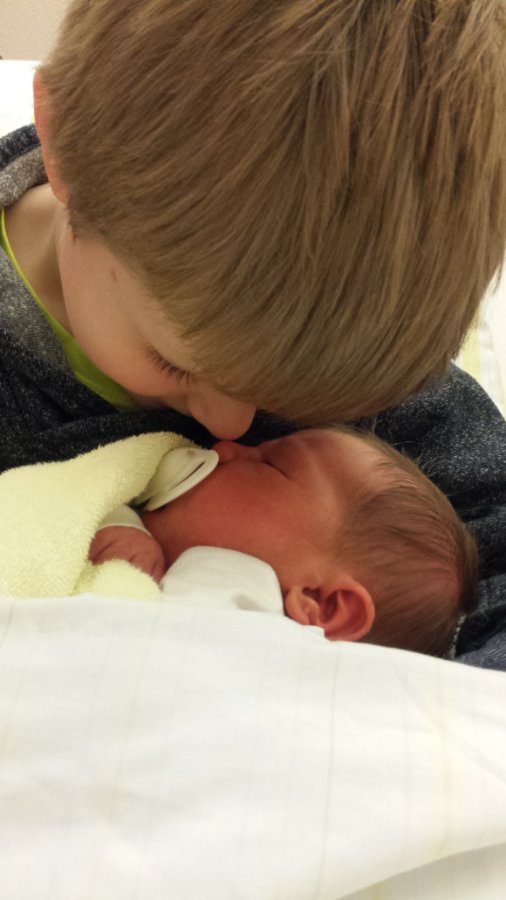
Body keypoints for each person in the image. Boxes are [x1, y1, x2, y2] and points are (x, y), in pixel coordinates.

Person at [0, 1, 505, 666]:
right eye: (175, 363)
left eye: (298, 395)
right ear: (65, 150)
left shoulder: (354, 332)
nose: (232, 428)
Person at [89, 428, 479, 657]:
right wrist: (118, 525)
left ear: (325, 604)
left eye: (269, 466)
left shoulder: (240, 609)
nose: (223, 447)